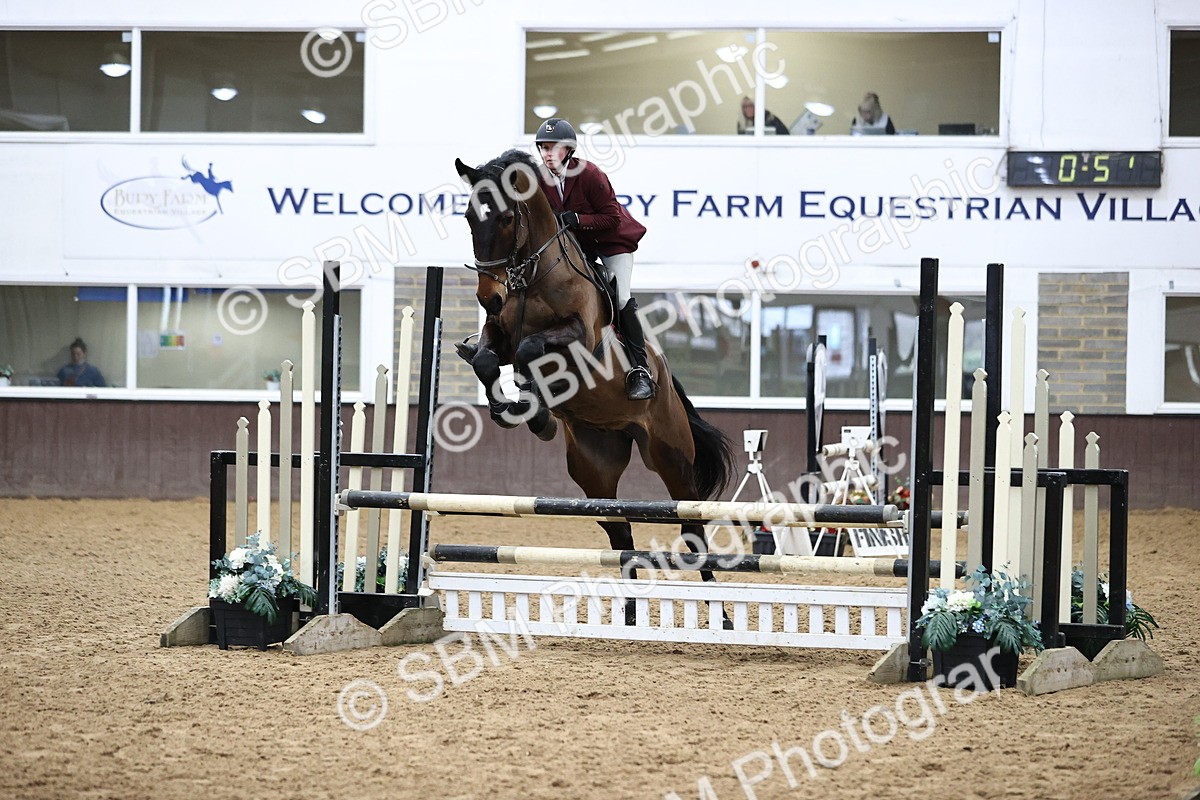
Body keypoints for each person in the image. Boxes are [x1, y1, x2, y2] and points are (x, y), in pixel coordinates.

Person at [534, 118, 655, 400]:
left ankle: (641, 370)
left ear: (568, 150)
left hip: (613, 243)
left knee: (621, 298)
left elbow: (612, 218)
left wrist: (576, 218)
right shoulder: (540, 178)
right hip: (580, 247)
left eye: (554, 148)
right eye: (543, 147)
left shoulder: (589, 174)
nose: (547, 153)